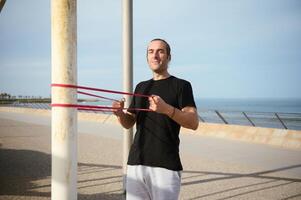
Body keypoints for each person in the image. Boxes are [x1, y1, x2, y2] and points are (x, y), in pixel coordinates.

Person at [112, 38, 199, 200]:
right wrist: (120, 114)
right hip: (136, 163)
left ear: (168, 57)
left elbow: (193, 122)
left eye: (160, 51)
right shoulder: (141, 87)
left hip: (166, 166)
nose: (155, 55)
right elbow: (129, 123)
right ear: (147, 58)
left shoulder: (181, 86)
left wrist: (167, 109)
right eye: (151, 52)